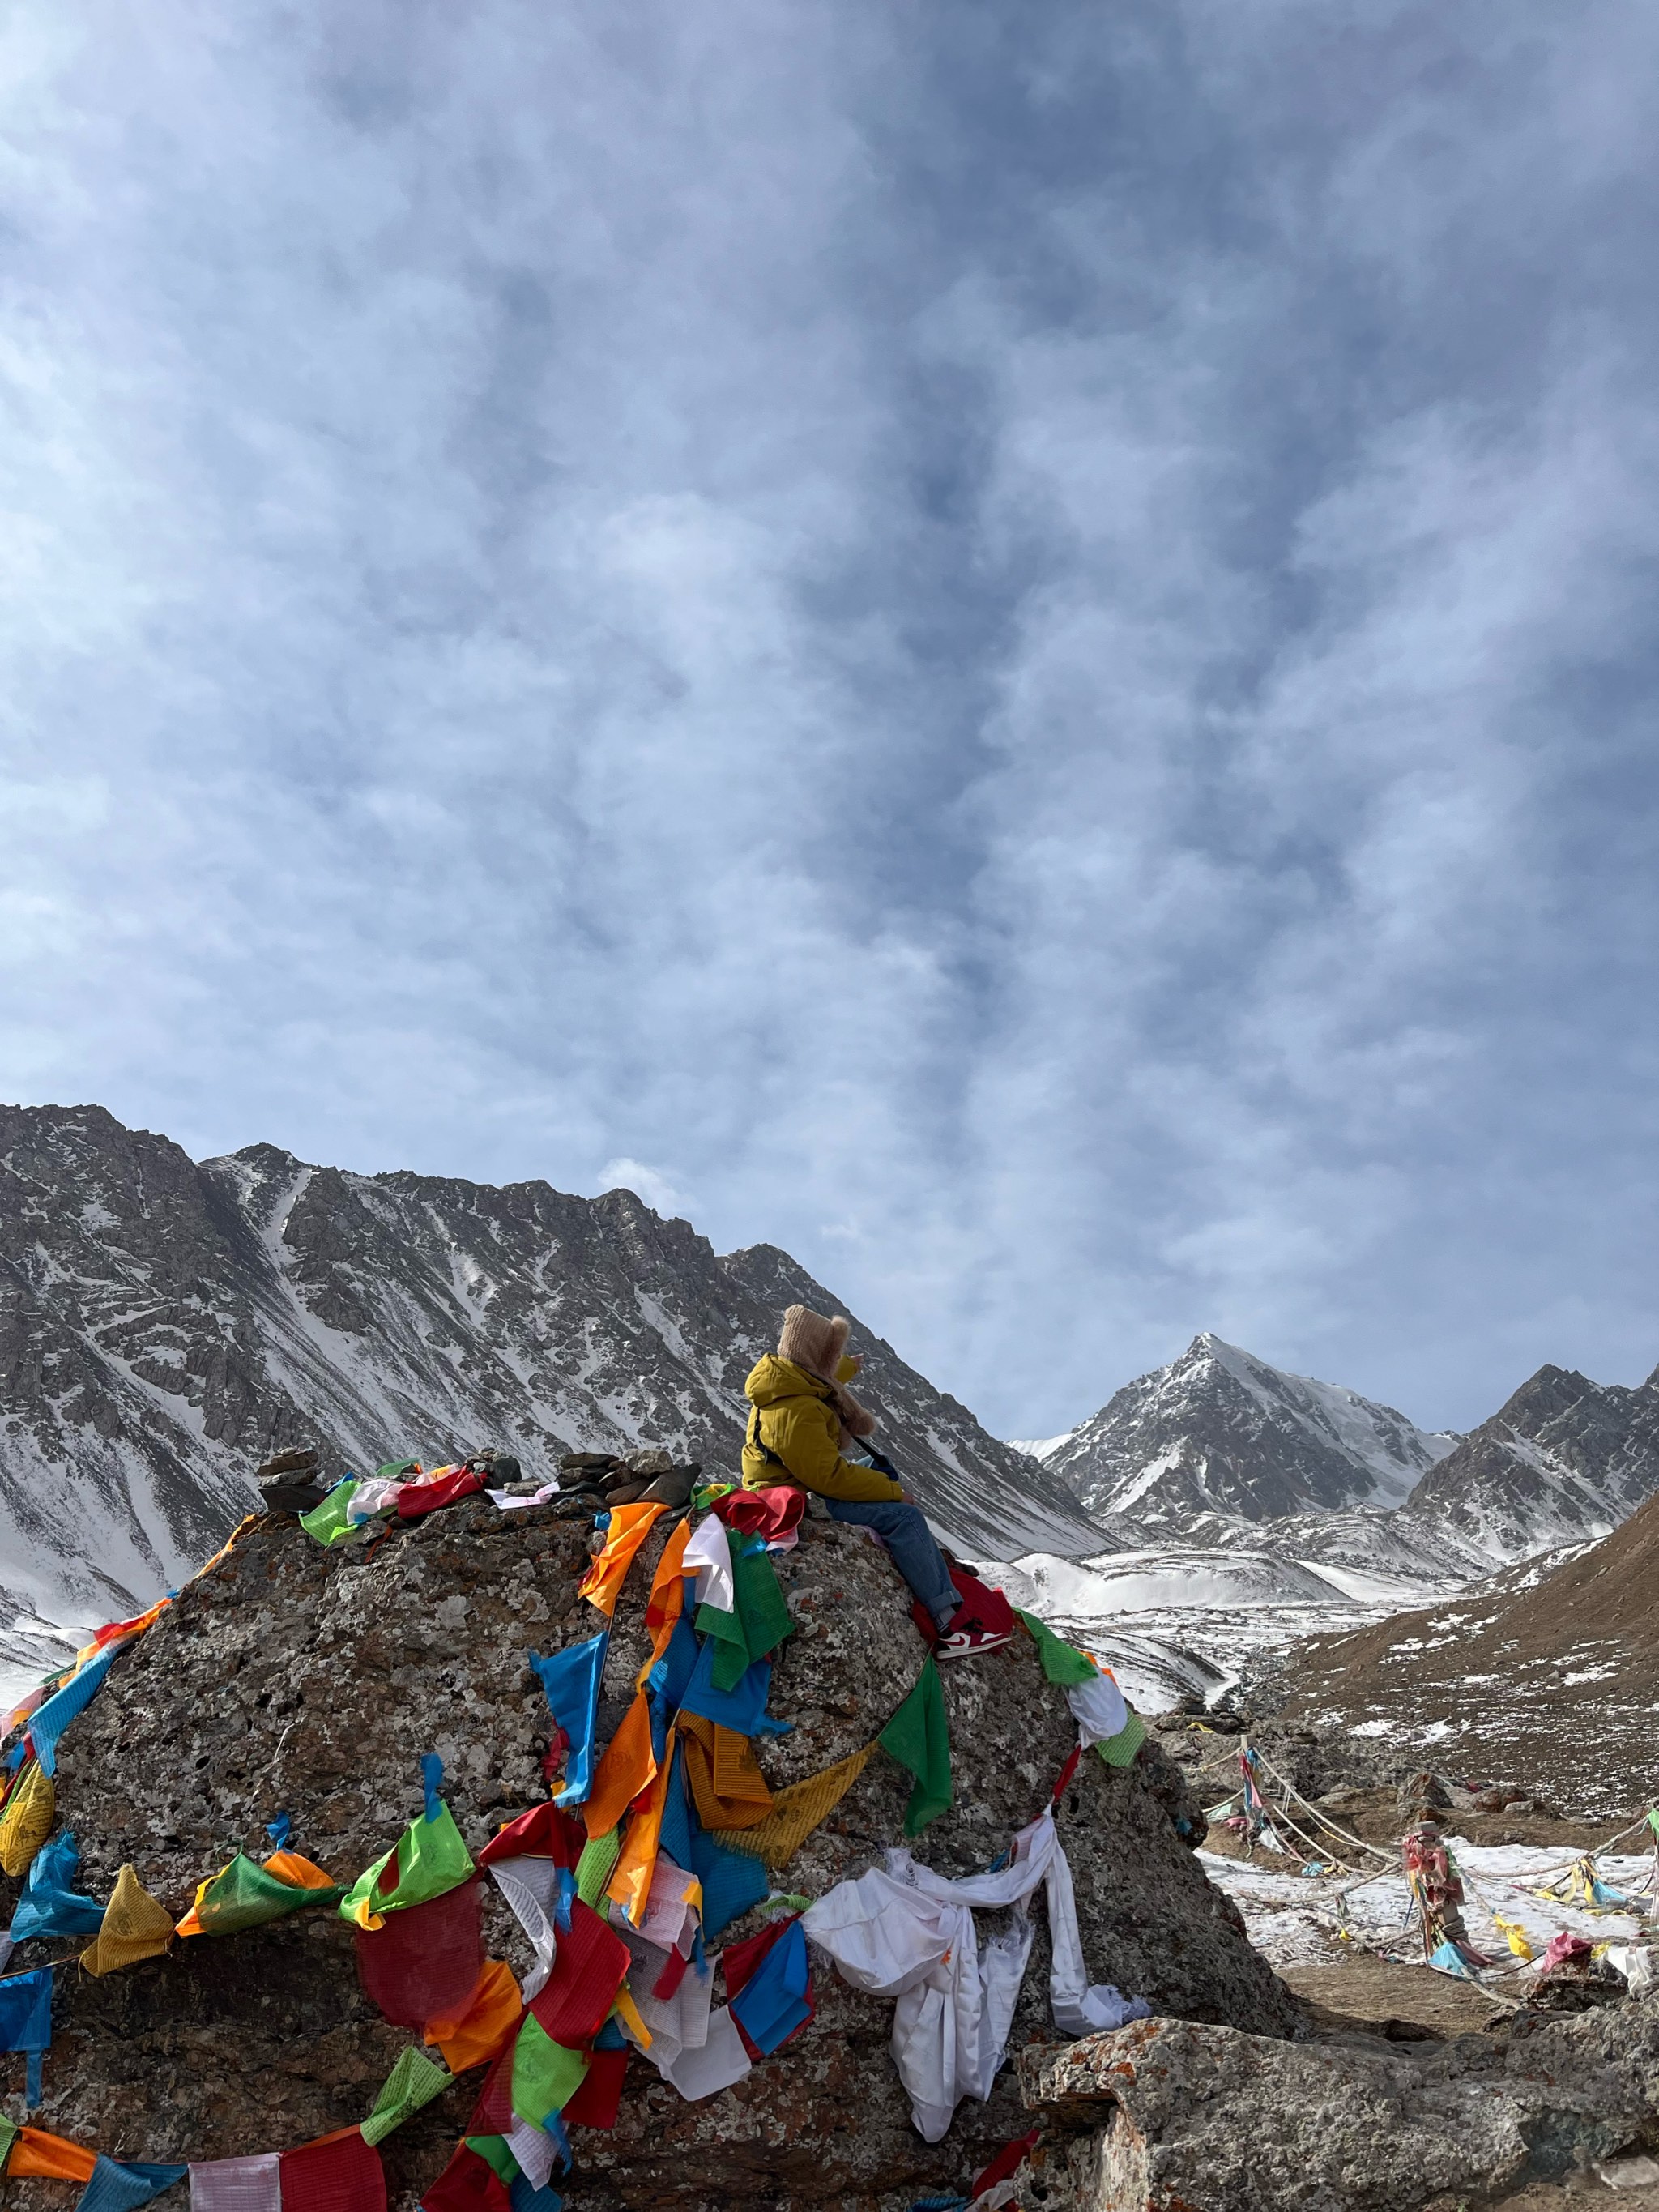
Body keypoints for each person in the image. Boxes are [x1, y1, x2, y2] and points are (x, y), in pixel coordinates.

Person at [741, 1304, 1010, 1659]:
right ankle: (949, 1623)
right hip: (790, 1503)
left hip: (794, 1486)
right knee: (904, 1516)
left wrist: (848, 1367)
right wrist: (894, 1494)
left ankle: (933, 1563)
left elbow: (820, 1380)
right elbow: (828, 1478)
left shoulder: (784, 1383)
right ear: (814, 1354)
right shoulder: (796, 1410)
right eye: (830, 1353)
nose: (833, 1361)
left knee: (878, 1469)